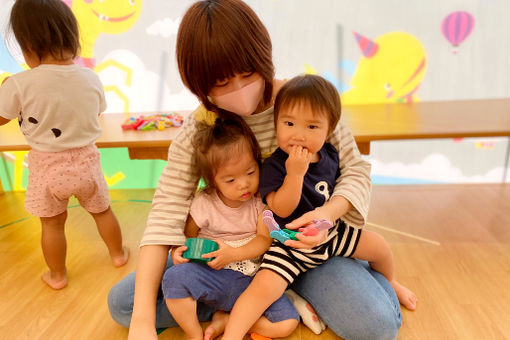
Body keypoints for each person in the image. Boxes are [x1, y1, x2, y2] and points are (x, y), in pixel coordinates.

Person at [108, 1, 402, 339]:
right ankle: (267, 302)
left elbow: (355, 170)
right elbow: (167, 209)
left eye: (247, 74)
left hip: (303, 248)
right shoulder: (201, 126)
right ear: (199, 82)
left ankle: (273, 297)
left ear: (263, 56)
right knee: (126, 305)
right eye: (220, 83)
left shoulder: (303, 102)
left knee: (377, 328)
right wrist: (143, 320)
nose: (238, 90)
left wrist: (326, 216)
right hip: (232, 256)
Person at [222, 74, 418, 339]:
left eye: (312, 127)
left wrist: (327, 219)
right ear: (276, 123)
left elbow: (343, 189)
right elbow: (280, 208)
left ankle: (391, 282)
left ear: (329, 130)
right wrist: (295, 175)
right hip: (288, 243)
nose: (299, 135)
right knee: (261, 289)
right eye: (289, 123)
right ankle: (231, 334)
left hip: (330, 235)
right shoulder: (275, 165)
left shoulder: (330, 155)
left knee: (379, 246)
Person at [0, 0, 129, 290]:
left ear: (27, 45)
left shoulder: (19, 83)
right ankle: (118, 255)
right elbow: (96, 112)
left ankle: (57, 276)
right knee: (102, 212)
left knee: (52, 225)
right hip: (87, 162)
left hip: (47, 167)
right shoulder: (90, 77)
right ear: (72, 37)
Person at [162, 116, 298, 339]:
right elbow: (188, 235)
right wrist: (177, 251)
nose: (243, 184)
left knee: (287, 323)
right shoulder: (204, 203)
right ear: (213, 181)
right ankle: (195, 334)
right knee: (173, 277)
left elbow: (264, 240)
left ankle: (227, 320)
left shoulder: (260, 202)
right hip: (211, 274)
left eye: (250, 172)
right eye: (230, 180)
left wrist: (233, 254)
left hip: (251, 281)